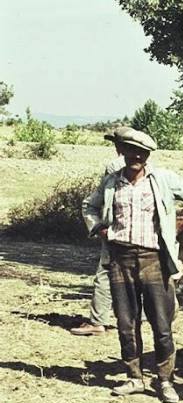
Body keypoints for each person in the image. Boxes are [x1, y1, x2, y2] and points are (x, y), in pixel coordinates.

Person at [82, 128, 183, 403]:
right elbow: (89, 205)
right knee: (126, 323)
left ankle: (165, 381)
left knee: (161, 323)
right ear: (120, 151)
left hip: (154, 261)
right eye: (130, 150)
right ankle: (134, 377)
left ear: (148, 155)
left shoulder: (163, 180)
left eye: (142, 152)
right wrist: (98, 228)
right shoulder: (111, 183)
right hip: (121, 260)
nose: (136, 156)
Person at [71, 126, 131, 336]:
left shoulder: (114, 166)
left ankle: (98, 321)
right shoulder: (148, 165)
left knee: (105, 273)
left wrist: (101, 227)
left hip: (116, 228)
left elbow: (105, 198)